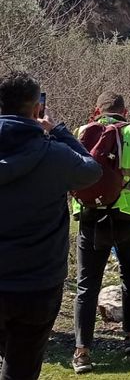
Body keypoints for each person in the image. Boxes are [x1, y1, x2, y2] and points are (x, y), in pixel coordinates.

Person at [0, 71, 102, 380]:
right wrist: (58, 130)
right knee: (22, 368)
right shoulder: (56, 155)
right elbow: (92, 170)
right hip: (38, 284)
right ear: (36, 109)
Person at [72, 92, 130, 374]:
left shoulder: (81, 132)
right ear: (126, 111)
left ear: (97, 110)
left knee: (87, 285)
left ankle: (82, 351)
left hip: (91, 216)